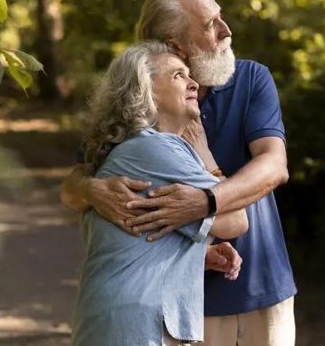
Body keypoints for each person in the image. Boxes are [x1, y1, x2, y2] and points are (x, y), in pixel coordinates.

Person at [61, 0, 297, 346]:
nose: (226, 30)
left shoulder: (250, 79)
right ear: (176, 46)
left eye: (221, 17)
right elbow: (73, 186)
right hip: (179, 304)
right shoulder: (138, 105)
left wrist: (205, 202)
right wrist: (92, 189)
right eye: (210, 23)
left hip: (260, 287)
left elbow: (274, 166)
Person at [72, 41, 248, 346]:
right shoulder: (155, 148)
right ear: (147, 89)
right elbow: (235, 219)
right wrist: (205, 153)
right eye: (179, 75)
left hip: (119, 321)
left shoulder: (130, 150)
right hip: (138, 327)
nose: (194, 83)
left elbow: (133, 243)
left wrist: (197, 256)